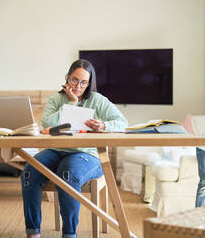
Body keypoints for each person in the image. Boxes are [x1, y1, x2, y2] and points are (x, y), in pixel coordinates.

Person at [21, 59, 128, 238]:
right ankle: (33, 233)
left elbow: (123, 123)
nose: (78, 86)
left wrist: (103, 125)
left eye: (83, 82)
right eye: (74, 80)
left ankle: (69, 234)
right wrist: (71, 103)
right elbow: (47, 123)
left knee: (68, 172)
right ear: (67, 78)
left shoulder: (97, 100)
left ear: (89, 83)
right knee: (29, 171)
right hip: (56, 150)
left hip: (87, 154)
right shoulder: (57, 99)